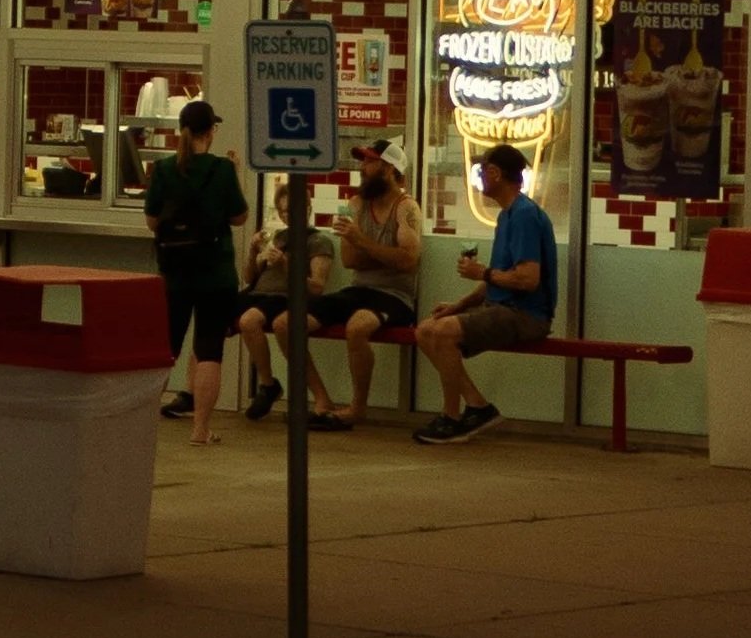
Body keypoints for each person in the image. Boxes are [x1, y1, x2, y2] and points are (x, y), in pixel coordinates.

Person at [411, 142, 559, 445]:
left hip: (526, 314)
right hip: (504, 308)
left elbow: (527, 280)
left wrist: (483, 273)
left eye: (481, 171)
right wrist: (459, 305)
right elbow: (499, 277)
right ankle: (477, 406)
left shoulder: (524, 215)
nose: (479, 178)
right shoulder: (507, 216)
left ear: (494, 173)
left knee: (443, 333)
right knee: (426, 330)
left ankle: (452, 417)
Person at [291, 138, 423, 432]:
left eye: (369, 161)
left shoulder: (406, 208)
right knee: (288, 323)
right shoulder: (357, 204)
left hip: (395, 295)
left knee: (357, 327)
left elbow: (408, 261)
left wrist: (364, 242)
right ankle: (322, 399)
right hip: (359, 289)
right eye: (363, 161)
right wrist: (382, 253)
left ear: (389, 169)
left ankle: (357, 407)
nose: (363, 168)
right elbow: (351, 260)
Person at [144, 99, 248, 446]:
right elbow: (239, 217)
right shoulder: (221, 170)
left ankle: (143, 424)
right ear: (211, 131)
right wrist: (235, 175)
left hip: (174, 273)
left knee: (165, 349)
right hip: (215, 273)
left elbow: (152, 222)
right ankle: (200, 429)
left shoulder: (162, 170)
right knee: (209, 350)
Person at [234, 180, 333, 421]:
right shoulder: (278, 237)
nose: (286, 215)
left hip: (285, 298)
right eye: (282, 211)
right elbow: (249, 278)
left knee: (252, 321)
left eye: (291, 209)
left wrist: (286, 264)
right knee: (224, 315)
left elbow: (317, 287)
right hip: (260, 295)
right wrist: (254, 253)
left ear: (307, 208)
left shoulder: (318, 241)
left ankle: (272, 387)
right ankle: (267, 383)